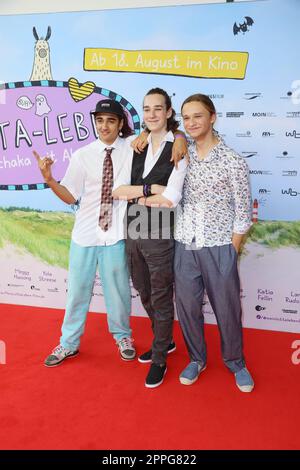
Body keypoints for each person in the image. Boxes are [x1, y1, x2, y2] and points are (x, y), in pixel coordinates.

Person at [33, 99, 137, 366]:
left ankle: (123, 336)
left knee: (118, 291)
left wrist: (181, 137)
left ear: (121, 124)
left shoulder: (133, 148)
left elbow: (162, 132)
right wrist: (49, 179)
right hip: (85, 234)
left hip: (115, 234)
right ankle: (68, 343)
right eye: (100, 120)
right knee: (77, 291)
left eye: (110, 120)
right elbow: (70, 196)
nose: (104, 126)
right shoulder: (82, 155)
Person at [174, 93, 254, 392]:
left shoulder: (232, 161)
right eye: (186, 117)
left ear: (212, 117)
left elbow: (243, 211)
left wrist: (231, 250)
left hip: (220, 245)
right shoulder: (181, 156)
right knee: (187, 306)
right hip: (186, 243)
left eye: (198, 116)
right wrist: (177, 136)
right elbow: (158, 132)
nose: (192, 122)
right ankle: (197, 359)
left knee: (227, 308)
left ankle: (235, 362)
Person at [113, 88, 187, 388]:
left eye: (158, 109)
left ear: (169, 112)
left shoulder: (180, 147)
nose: (152, 114)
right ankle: (165, 340)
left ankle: (159, 358)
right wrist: (149, 190)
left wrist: (145, 195)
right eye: (147, 109)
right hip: (133, 228)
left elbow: (172, 197)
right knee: (143, 290)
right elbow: (119, 190)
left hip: (159, 231)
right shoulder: (134, 144)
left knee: (160, 293)